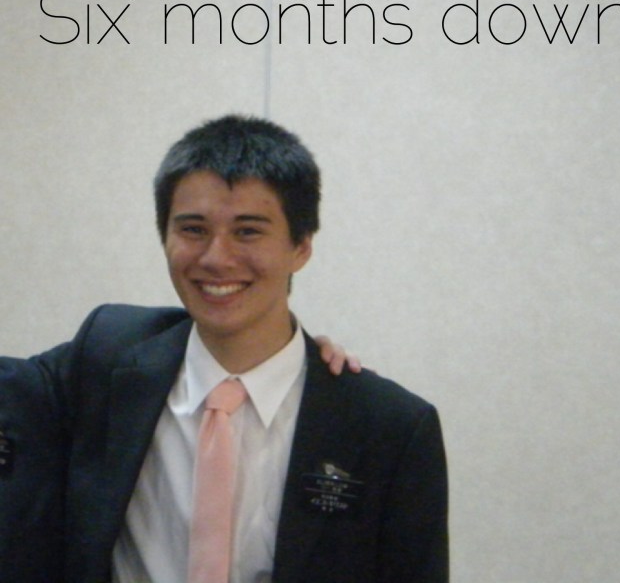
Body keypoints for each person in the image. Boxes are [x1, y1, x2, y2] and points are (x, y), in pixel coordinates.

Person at [0, 115, 447, 582]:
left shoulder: (387, 427)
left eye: (248, 231)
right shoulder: (107, 357)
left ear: (301, 246)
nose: (216, 258)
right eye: (193, 229)